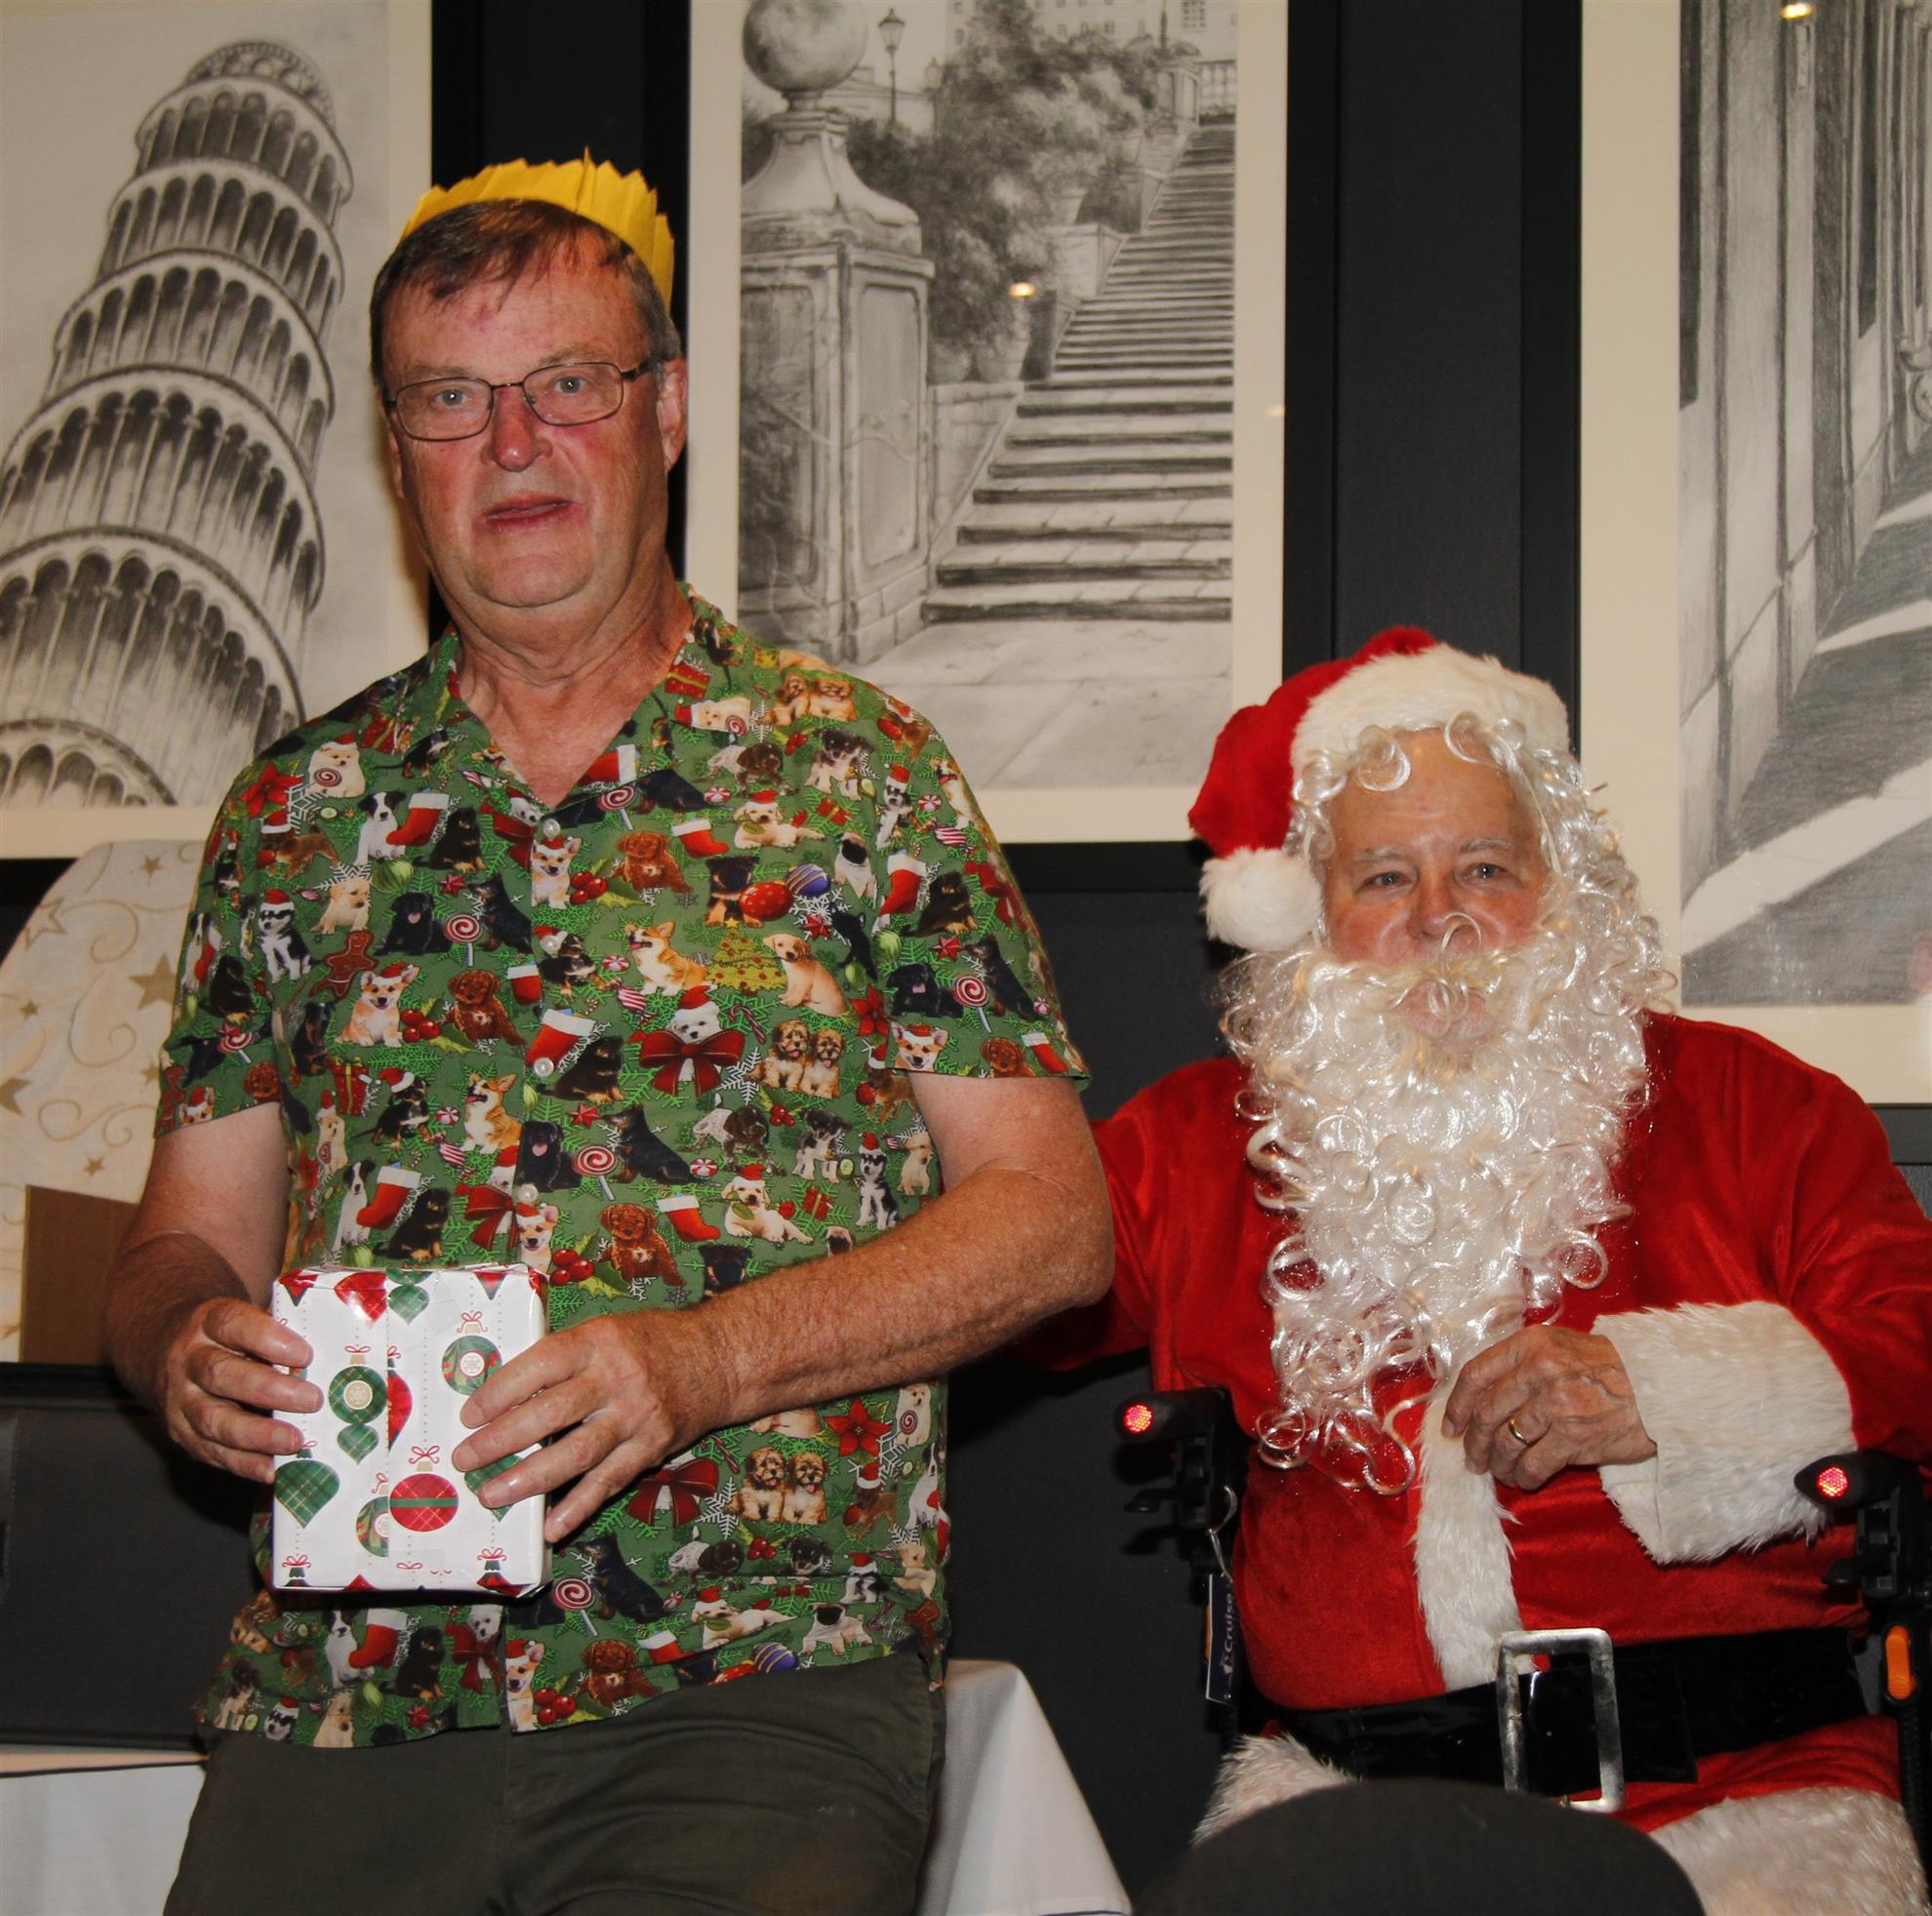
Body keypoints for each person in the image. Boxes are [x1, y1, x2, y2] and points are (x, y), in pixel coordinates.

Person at [106, 157, 1109, 1916]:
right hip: (346, 1693)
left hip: (751, 1684)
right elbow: (184, 1236)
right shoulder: (293, 815)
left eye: (568, 383)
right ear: (398, 450)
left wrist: (701, 1365)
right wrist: (183, 1341)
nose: (513, 444)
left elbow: (1051, 1222)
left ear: (666, 413)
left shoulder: (856, 772)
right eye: (450, 399)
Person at [1035, 628, 1932, 1915]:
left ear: (1560, 885)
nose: (1439, 917)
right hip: (1349, 1821)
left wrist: (1665, 1393)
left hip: (1751, 1803)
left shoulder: (1757, 1110)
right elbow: (998, 1281)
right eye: (1384, 876)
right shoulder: (1196, 1145)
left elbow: (1916, 1337)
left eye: (1486, 867)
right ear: (1310, 917)